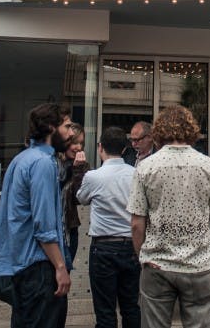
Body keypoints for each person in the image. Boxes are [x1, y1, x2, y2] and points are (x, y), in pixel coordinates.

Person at [128, 106, 210, 328]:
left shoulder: (146, 167)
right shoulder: (208, 165)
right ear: (190, 130)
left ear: (159, 131)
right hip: (198, 264)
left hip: (157, 263)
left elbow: (136, 224)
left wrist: (141, 255)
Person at [0, 103, 76, 328]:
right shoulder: (42, 164)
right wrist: (60, 267)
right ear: (50, 127)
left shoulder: (23, 158)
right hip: (39, 268)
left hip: (22, 265)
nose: (71, 133)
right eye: (67, 126)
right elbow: (44, 226)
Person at [77, 126, 141, 328]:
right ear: (124, 149)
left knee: (105, 311)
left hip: (103, 248)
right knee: (131, 306)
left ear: (100, 147)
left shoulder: (93, 177)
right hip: (131, 246)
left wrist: (79, 169)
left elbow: (81, 198)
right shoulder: (136, 174)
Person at [60, 124, 88, 264]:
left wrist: (78, 171)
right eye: (74, 143)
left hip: (70, 228)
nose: (78, 147)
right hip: (53, 229)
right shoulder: (52, 163)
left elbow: (79, 198)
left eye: (81, 143)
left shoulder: (81, 166)